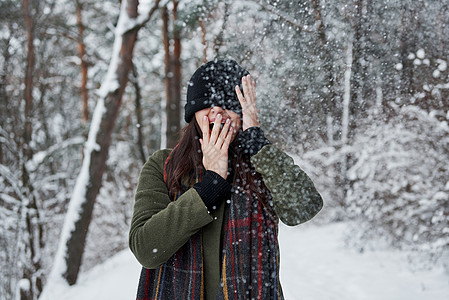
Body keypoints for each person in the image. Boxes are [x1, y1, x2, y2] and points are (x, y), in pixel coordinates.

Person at [129, 59, 323, 300]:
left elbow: (303, 208)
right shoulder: (164, 166)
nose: (217, 111)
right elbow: (147, 249)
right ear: (193, 113)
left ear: (243, 111)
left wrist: (257, 143)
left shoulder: (261, 163)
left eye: (227, 103)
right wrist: (210, 184)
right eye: (207, 103)